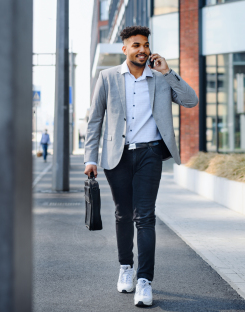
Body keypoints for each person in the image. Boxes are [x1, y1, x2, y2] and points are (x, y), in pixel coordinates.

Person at [84, 26, 198, 307]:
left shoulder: (160, 79)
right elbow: (95, 120)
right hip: (117, 156)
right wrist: (90, 158)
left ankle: (145, 281)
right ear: (125, 49)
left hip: (149, 155)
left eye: (146, 45)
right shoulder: (108, 77)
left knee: (145, 217)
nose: (143, 50)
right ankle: (126, 268)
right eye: (136, 45)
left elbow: (190, 100)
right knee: (123, 214)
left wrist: (169, 73)